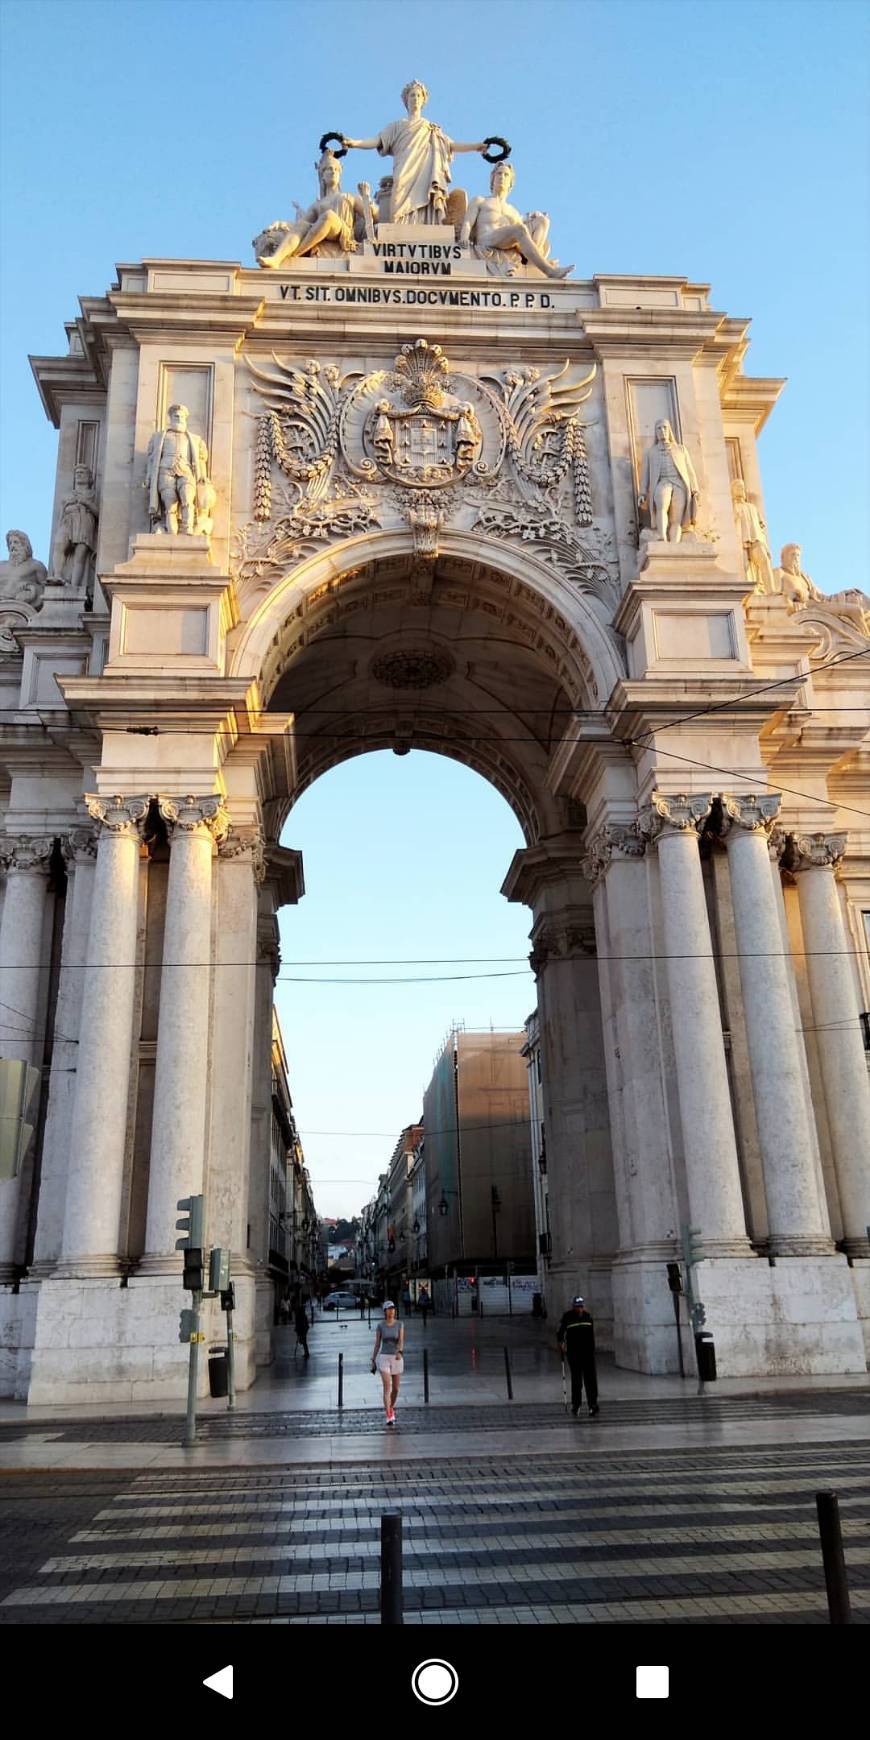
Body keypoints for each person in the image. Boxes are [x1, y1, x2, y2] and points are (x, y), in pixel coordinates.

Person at [341, 80, 487, 226]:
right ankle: (399, 228)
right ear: (406, 100)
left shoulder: (431, 128)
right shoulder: (397, 126)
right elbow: (376, 141)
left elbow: (451, 145)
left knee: (426, 198)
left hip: (426, 171)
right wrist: (354, 143)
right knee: (398, 196)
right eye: (412, 95)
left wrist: (476, 147)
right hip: (404, 170)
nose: (415, 99)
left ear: (423, 100)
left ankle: (427, 229)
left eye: (418, 95)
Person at [461, 162, 573, 280]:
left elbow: (521, 230)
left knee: (543, 221)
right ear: (492, 178)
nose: (501, 177)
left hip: (506, 240)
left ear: (510, 183)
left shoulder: (512, 210)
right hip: (487, 239)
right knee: (519, 229)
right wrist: (463, 239)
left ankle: (531, 262)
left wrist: (533, 216)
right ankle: (549, 270)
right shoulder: (480, 200)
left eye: (506, 175)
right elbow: (468, 222)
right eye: (499, 174)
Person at [145, 403, 210, 536]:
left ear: (186, 419)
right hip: (165, 470)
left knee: (187, 497)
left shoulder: (195, 440)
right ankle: (171, 531)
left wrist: (203, 475)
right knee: (169, 503)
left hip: (186, 470)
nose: (179, 418)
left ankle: (188, 528)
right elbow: (152, 459)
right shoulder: (159, 437)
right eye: (176, 416)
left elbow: (201, 460)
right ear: (171, 417)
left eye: (181, 416)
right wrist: (149, 476)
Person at [638, 418, 699, 543]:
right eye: (659, 428)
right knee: (661, 506)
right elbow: (645, 475)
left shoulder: (681, 449)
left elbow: (690, 471)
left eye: (664, 427)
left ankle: (674, 543)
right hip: (662, 483)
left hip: (679, 484)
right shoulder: (651, 452)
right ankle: (662, 536)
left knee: (676, 519)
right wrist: (643, 492)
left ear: (669, 430)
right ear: (655, 432)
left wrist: (695, 489)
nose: (662, 431)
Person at [557, 1295, 599, 1417]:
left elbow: (591, 1337)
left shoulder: (588, 1316)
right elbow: (560, 1332)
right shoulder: (567, 1317)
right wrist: (561, 1343)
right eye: (577, 1307)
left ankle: (593, 1405)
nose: (579, 1309)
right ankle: (576, 1405)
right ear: (573, 1306)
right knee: (577, 1381)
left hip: (588, 1354)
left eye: (581, 1306)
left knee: (590, 1380)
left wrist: (592, 1351)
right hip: (574, 1354)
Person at [371, 1298, 404, 1425]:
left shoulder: (399, 1324)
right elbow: (377, 1344)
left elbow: (401, 1340)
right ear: (385, 1311)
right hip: (384, 1357)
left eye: (393, 1309)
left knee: (396, 1389)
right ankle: (388, 1415)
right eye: (389, 1309)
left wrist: (399, 1351)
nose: (391, 1311)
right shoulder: (380, 1325)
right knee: (387, 1387)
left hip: (396, 1357)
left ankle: (391, 1408)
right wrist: (373, 1358)